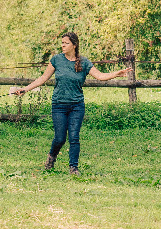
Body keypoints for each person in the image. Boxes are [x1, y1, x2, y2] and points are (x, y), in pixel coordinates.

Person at [13, 32, 128, 175]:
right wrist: (25, 89)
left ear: (74, 45)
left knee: (74, 137)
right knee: (60, 138)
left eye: (66, 43)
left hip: (76, 106)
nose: (62, 45)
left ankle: (73, 168)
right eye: (62, 43)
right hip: (59, 105)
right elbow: (43, 78)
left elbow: (100, 76)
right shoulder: (56, 60)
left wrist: (116, 73)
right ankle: (51, 157)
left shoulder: (84, 62)